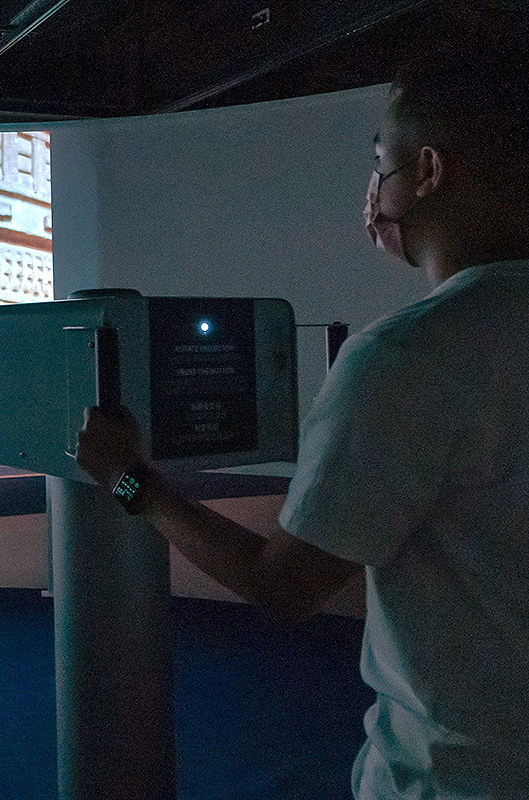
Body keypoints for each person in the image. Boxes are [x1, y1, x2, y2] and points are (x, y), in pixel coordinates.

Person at [75, 37, 529, 800]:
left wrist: (128, 481)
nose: (374, 189)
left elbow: (282, 586)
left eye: (381, 163)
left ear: (428, 172)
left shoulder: (406, 356)